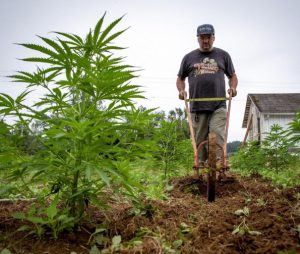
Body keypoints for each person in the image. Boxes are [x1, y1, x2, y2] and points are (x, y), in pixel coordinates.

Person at [176, 24, 238, 165]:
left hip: (218, 105)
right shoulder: (188, 58)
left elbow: (232, 76)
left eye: (208, 37)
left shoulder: (223, 55)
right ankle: (202, 169)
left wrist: (233, 88)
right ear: (198, 39)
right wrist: (181, 91)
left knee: (217, 135)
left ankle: (219, 165)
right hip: (197, 107)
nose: (205, 41)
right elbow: (180, 78)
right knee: (199, 141)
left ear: (213, 38)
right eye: (202, 38)